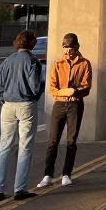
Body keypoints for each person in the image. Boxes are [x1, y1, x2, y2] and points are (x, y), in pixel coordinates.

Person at [0, 30, 44, 202]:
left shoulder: (7, 61)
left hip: (7, 106)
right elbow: (35, 87)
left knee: (5, 147)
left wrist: (3, 99)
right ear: (31, 44)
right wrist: (36, 97)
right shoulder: (33, 62)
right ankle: (19, 188)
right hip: (26, 105)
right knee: (25, 146)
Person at [37, 33, 91, 189]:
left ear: (76, 47)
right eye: (65, 48)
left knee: (71, 141)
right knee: (52, 140)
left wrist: (73, 91)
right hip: (59, 105)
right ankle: (47, 174)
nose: (67, 52)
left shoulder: (85, 63)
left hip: (76, 105)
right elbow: (52, 89)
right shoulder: (58, 64)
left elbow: (86, 87)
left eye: (70, 48)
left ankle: (67, 174)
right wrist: (69, 91)